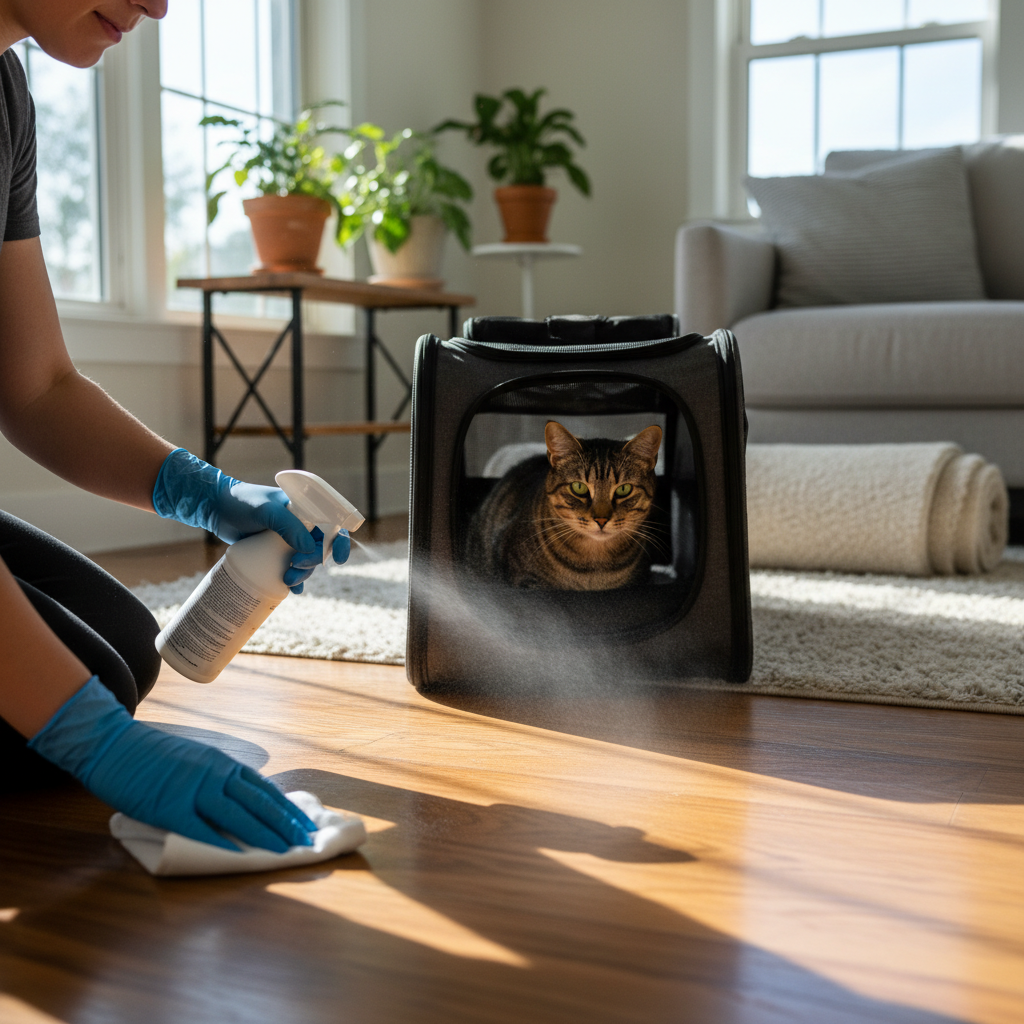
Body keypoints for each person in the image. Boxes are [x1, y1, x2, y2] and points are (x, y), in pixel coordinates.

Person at [0, 1, 347, 854]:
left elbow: (36, 384)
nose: (159, 4)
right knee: (64, 718)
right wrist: (98, 745)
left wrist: (210, 494)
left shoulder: (5, 95)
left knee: (120, 654)